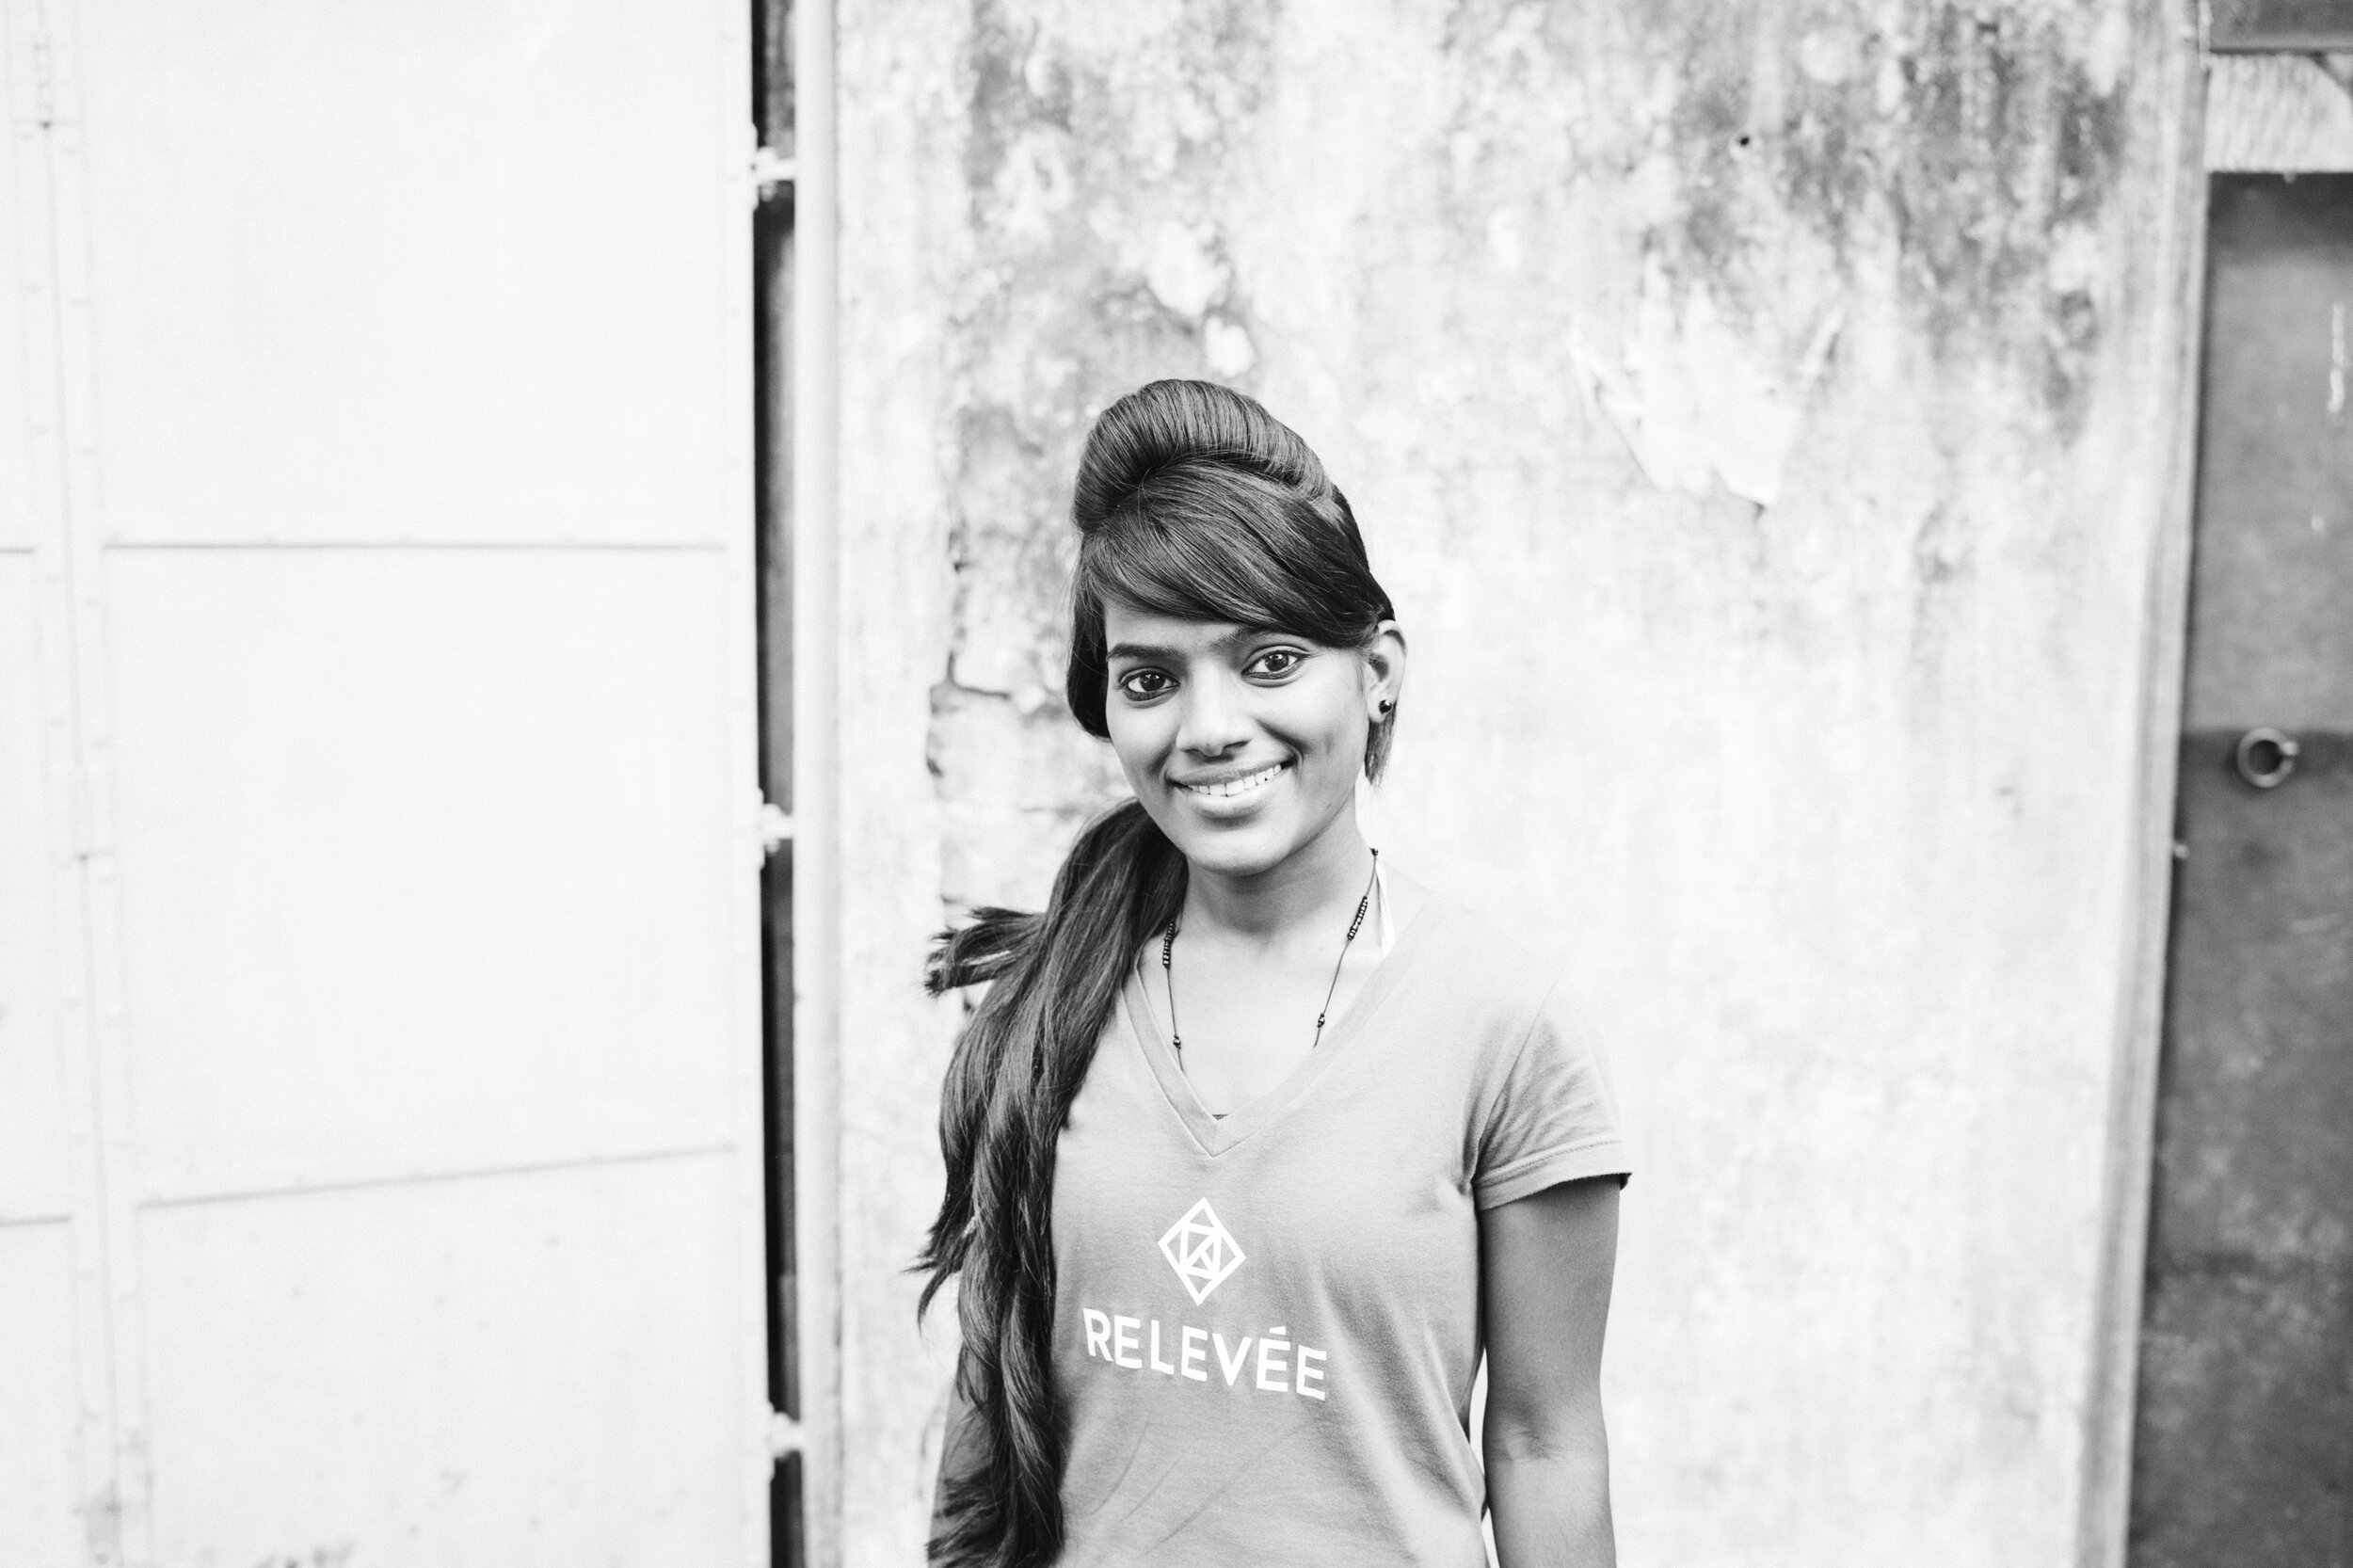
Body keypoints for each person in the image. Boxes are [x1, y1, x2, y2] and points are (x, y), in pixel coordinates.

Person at [919, 379, 1631, 1567]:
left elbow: (1542, 1443)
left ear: (1377, 669)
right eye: (1151, 678)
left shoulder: (1505, 1029)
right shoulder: (1046, 1007)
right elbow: (985, 1417)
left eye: (1270, 659)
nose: (1207, 726)